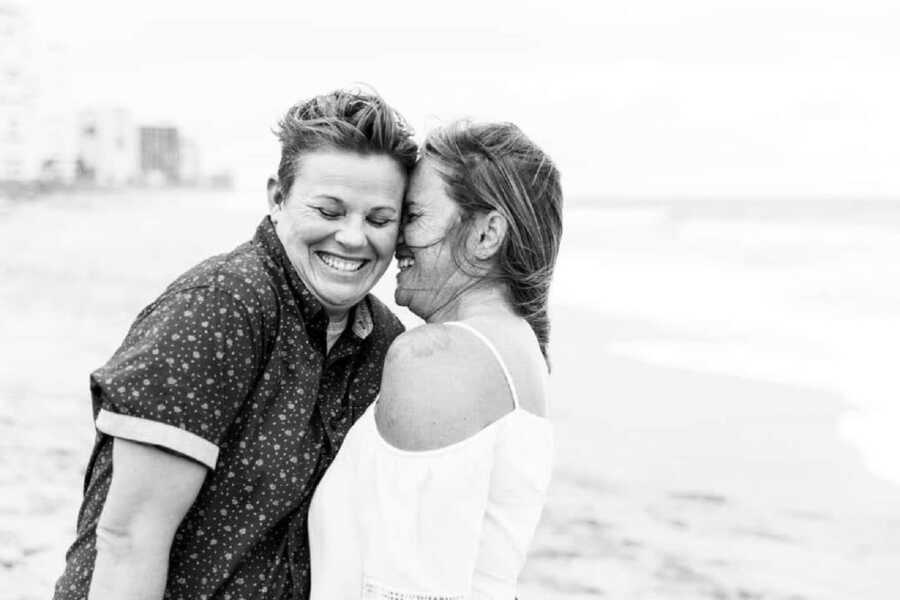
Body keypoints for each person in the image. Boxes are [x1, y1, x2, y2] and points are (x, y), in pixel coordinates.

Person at [54, 89, 417, 600]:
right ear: (276, 197)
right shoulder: (221, 308)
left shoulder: (383, 343)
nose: (354, 238)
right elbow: (129, 538)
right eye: (329, 211)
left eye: (379, 219)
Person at [308, 120, 563, 598]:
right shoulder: (520, 348)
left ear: (487, 234)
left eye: (414, 216)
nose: (394, 238)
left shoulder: (437, 359)